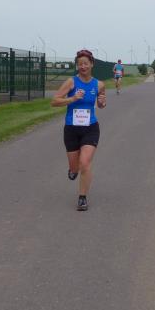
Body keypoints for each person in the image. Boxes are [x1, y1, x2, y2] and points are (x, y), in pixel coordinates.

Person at [51, 49, 106, 211]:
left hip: (90, 127)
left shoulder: (99, 84)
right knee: (75, 167)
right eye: (80, 64)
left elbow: (101, 105)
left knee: (85, 163)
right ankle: (72, 169)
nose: (83, 67)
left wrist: (102, 102)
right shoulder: (71, 82)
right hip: (71, 129)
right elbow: (54, 101)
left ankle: (82, 198)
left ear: (92, 64)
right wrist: (73, 98)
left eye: (85, 63)